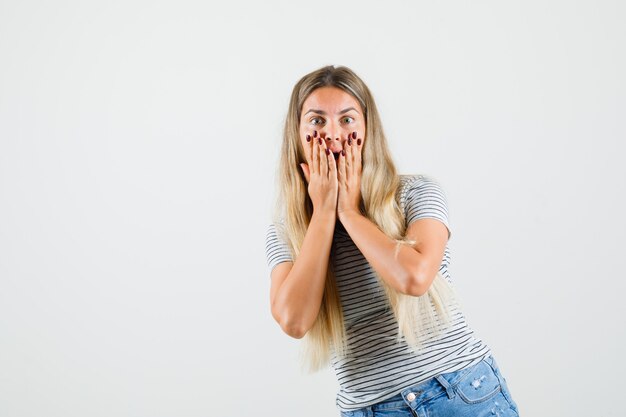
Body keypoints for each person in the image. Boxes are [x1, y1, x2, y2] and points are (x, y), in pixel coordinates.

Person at [264, 65, 520, 417]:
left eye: (348, 119)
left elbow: (413, 278)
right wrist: (324, 213)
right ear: (297, 134)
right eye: (317, 121)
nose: (333, 135)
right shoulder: (288, 231)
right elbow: (294, 320)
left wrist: (350, 214)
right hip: (371, 410)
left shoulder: (414, 193)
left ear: (368, 129)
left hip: (459, 394)